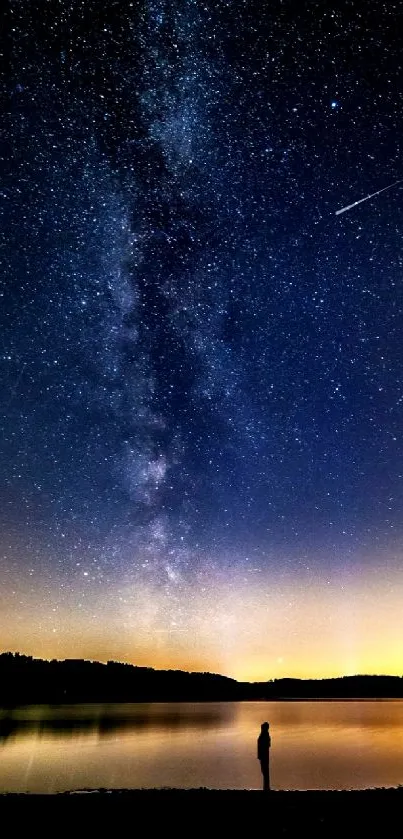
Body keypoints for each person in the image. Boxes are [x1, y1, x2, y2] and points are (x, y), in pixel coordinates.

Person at [257, 721, 271, 791]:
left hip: (264, 755)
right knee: (265, 771)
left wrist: (260, 755)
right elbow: (268, 745)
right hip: (264, 755)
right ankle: (266, 787)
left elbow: (267, 745)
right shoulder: (264, 734)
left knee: (265, 771)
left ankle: (266, 787)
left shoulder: (264, 734)